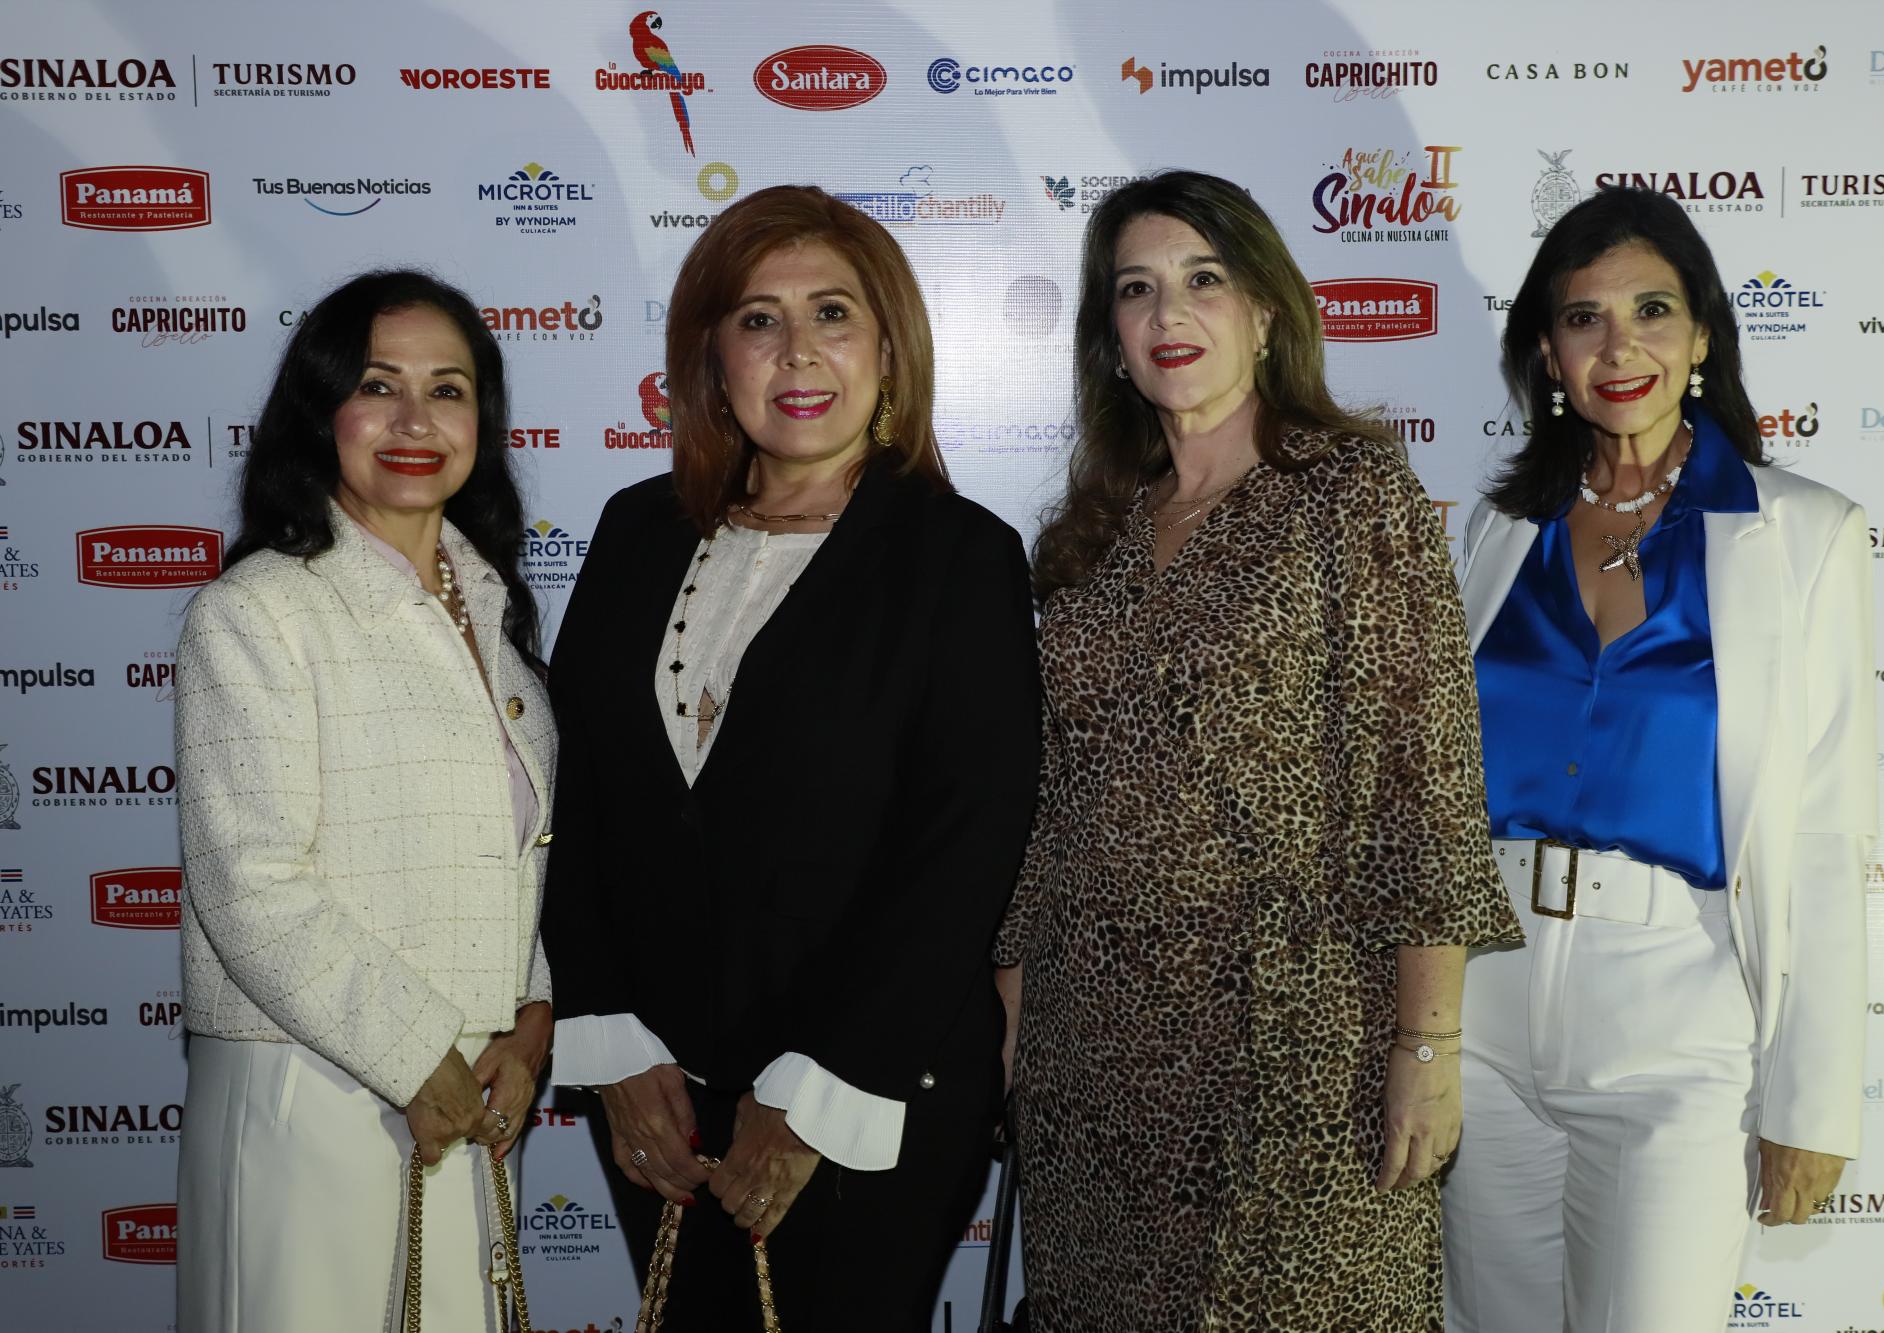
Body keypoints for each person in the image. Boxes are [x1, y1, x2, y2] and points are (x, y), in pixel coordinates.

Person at [993, 169, 1518, 1331]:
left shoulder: (1348, 493)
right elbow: (1052, 794)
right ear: (1110, 338)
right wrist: (1015, 1005)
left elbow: (1422, 778)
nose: (1168, 313)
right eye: (1136, 289)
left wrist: (1426, 1040)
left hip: (1297, 1035)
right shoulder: (1091, 530)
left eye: (1203, 280)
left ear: (1266, 313)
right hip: (1093, 1050)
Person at [540, 185, 1040, 1330]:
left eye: (832, 313)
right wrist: (610, 1046)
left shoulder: (958, 556)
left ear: (889, 351)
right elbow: (573, 801)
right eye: (759, 319)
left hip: (868, 1099)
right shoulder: (635, 530)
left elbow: (964, 849)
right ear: (712, 358)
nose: (797, 350)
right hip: (657, 1099)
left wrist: (813, 1092)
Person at [1442, 187, 1876, 1333]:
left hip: (1676, 1026)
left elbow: (1823, 831)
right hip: (1482, 1014)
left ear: (1700, 338)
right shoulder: (1494, 531)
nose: (1617, 346)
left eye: (1649, 310)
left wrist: (1809, 1099)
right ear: (1545, 354)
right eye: (1581, 317)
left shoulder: (1805, 535)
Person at [175, 270, 555, 1328]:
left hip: (473, 1092)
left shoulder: (492, 611)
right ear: (321, 412)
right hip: (314, 1093)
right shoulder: (258, 612)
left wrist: (531, 1013)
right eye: (378, 386)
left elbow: (512, 856)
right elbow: (251, 885)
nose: (414, 420)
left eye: (447, 389)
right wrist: (416, 1053)